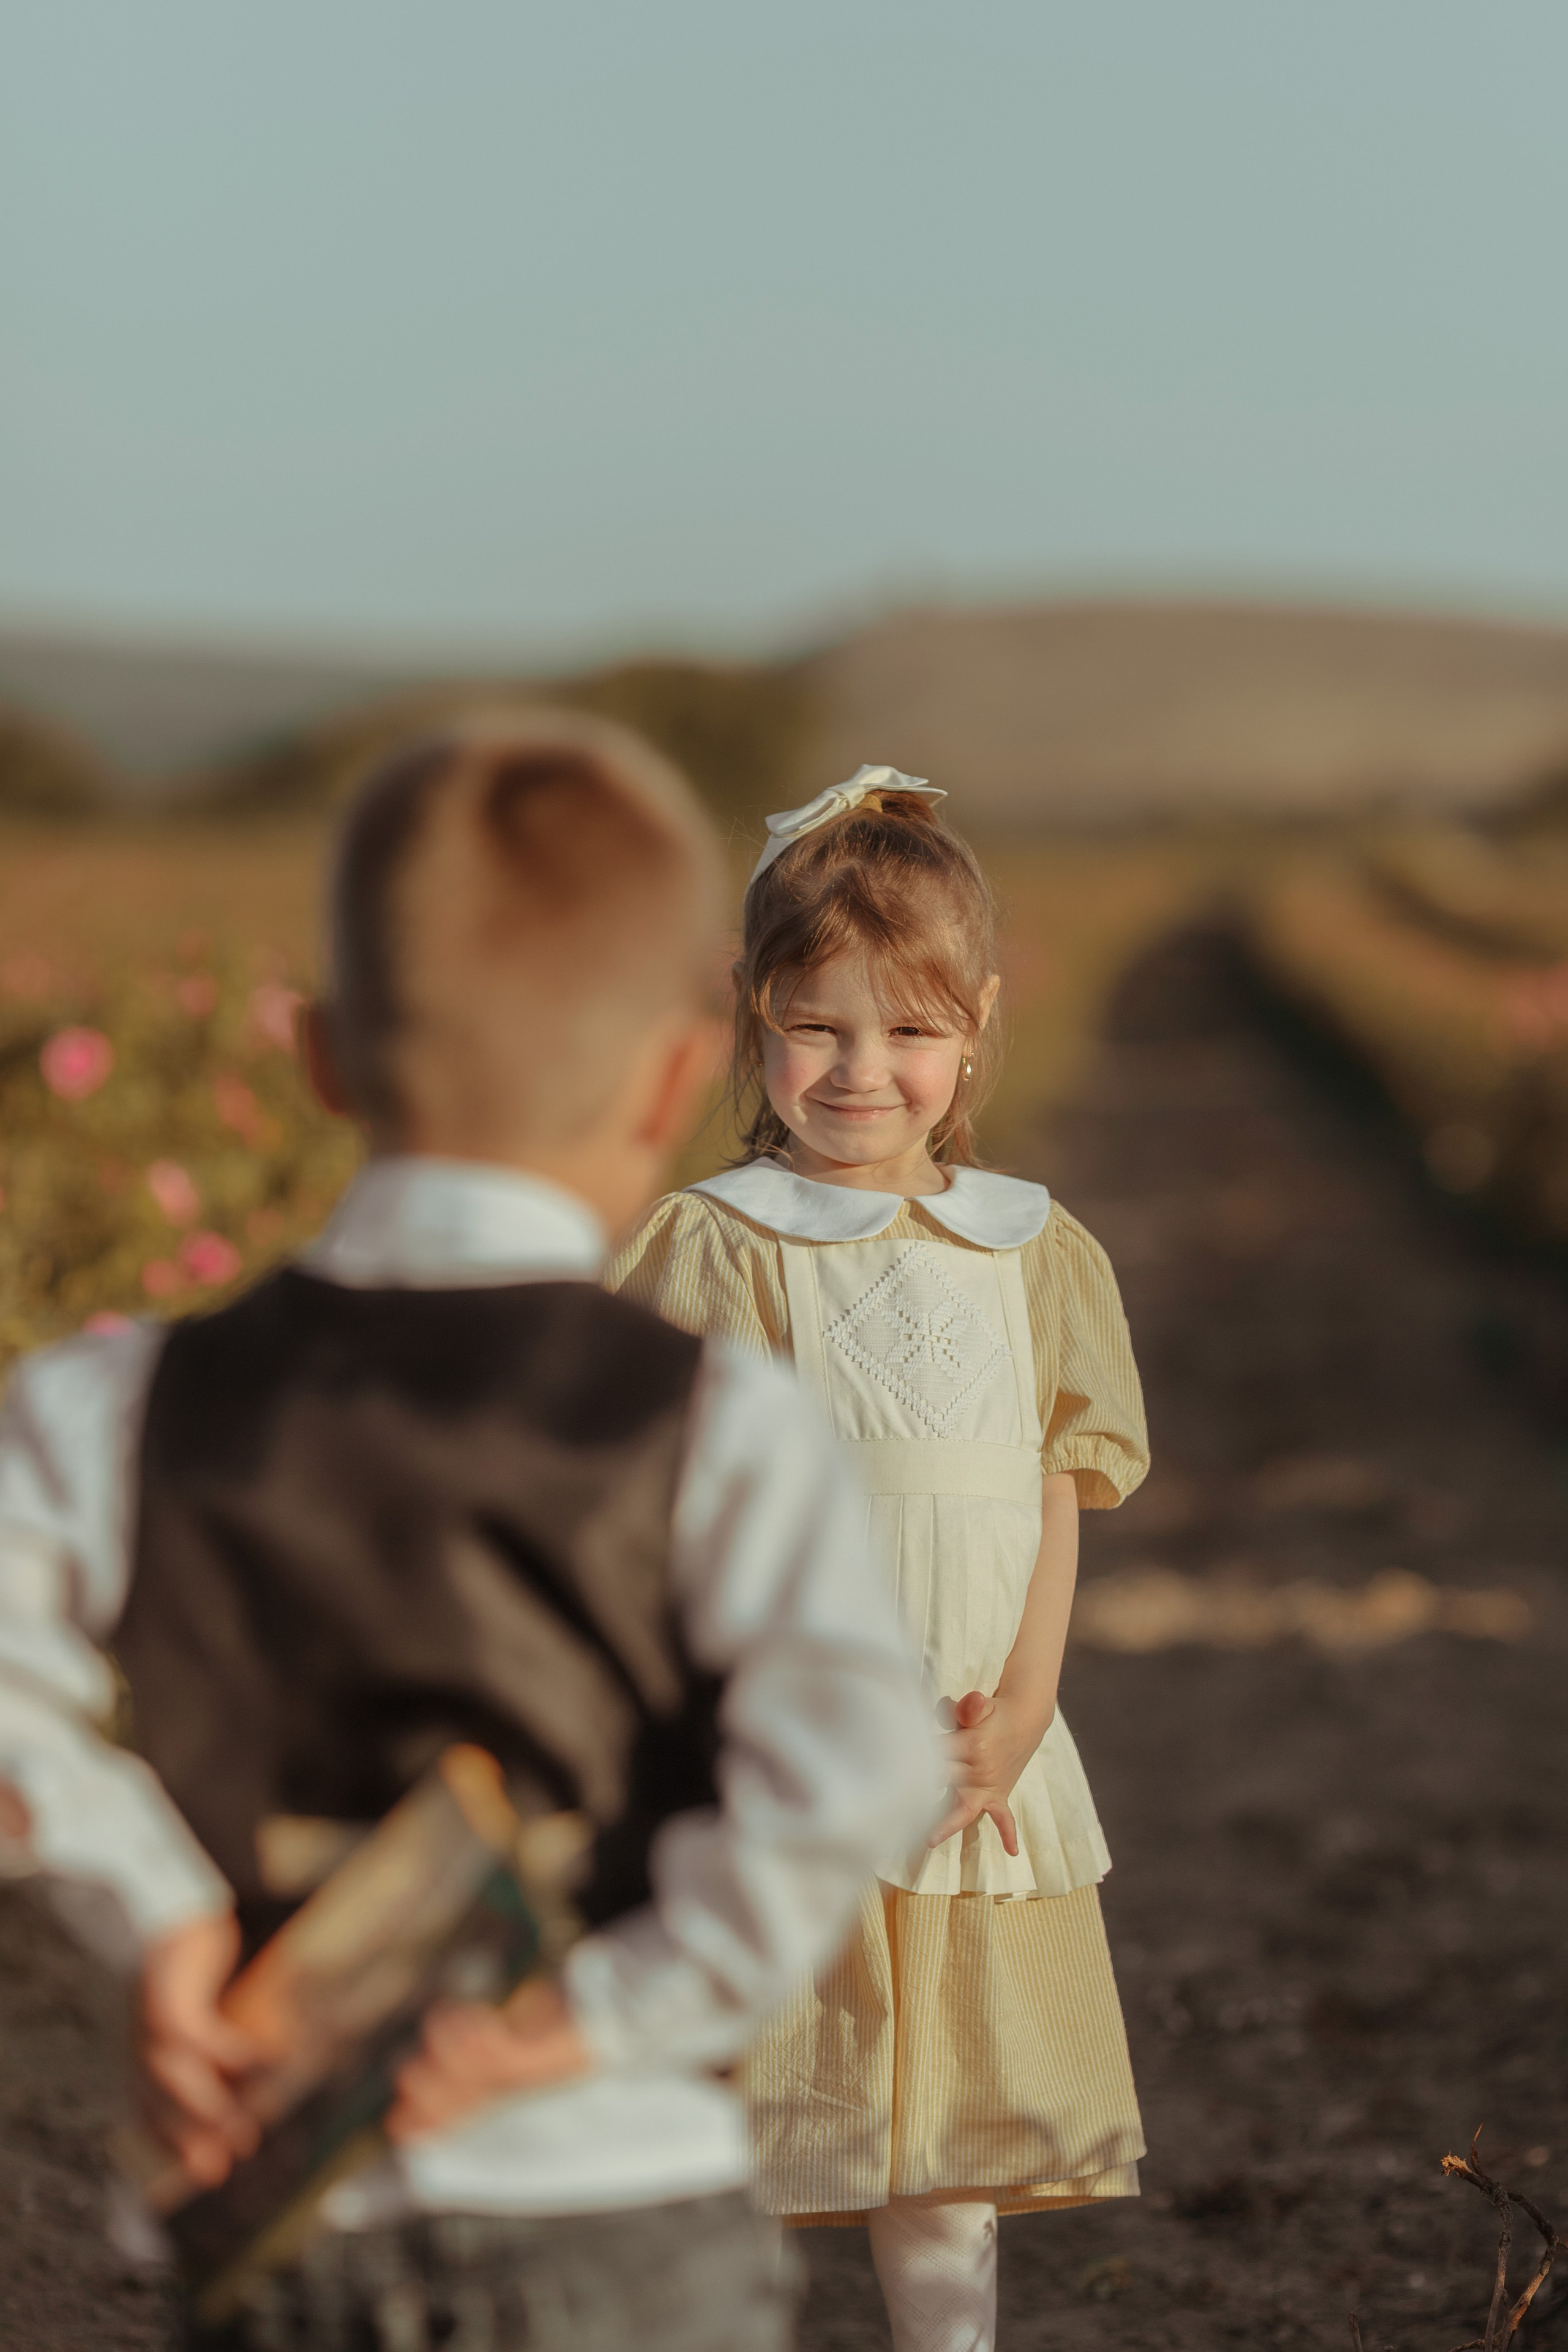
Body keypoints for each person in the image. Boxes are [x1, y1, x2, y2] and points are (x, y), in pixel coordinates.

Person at [0, 717, 936, 2352]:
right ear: (666, 1077)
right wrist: (590, 2013)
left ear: (319, 1057)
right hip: (628, 2210)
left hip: (277, 2223)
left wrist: (152, 1914)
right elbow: (860, 1769)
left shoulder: (119, 1404)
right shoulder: (725, 1421)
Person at [606, 764, 1149, 2352]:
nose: (862, 1070)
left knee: (945, 2137)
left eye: (909, 1032)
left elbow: (1054, 1485)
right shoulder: (725, 1244)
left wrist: (1026, 1709)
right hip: (780, 1747)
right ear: (752, 1013)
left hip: (975, 1748)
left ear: (978, 1023)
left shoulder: (1034, 1248)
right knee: (749, 2102)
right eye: (818, 1026)